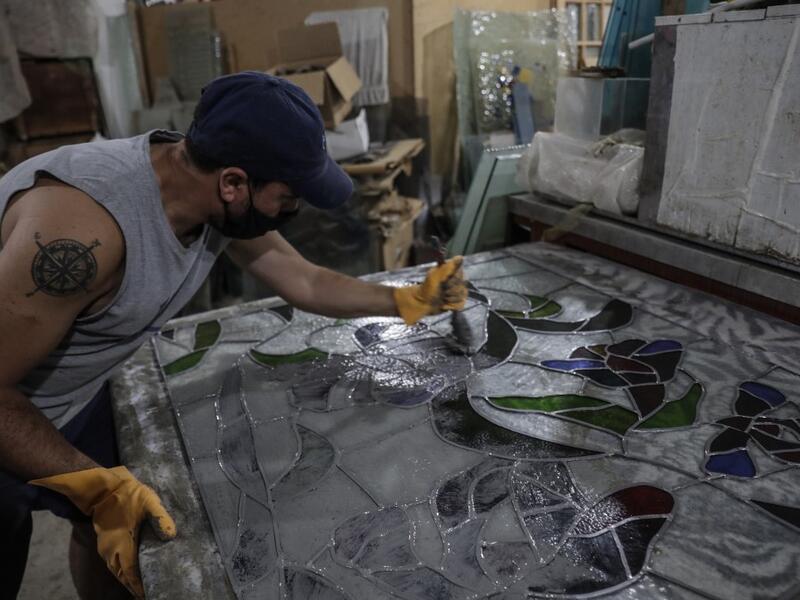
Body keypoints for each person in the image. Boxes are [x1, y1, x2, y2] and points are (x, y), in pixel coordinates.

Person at [0, 72, 467, 599]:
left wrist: (406, 299)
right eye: (288, 197)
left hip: (67, 392)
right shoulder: (83, 236)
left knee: (121, 531)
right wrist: (94, 486)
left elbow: (304, 279)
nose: (293, 212)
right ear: (233, 183)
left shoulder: (201, 183)